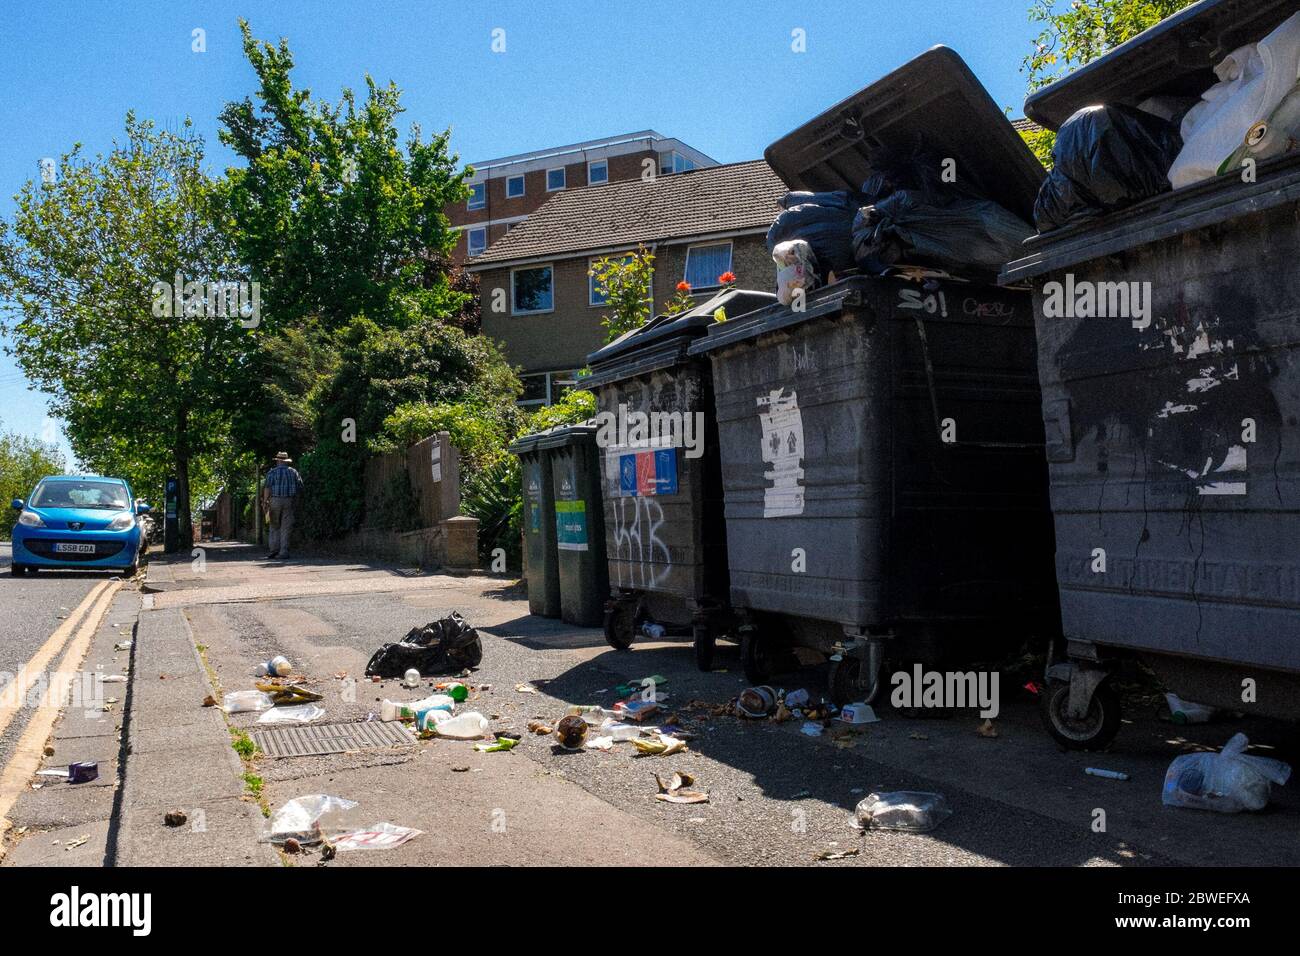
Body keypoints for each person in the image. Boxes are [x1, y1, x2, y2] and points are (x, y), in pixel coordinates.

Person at [264, 452, 304, 560]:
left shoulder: (272, 472)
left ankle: (274, 550)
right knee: (286, 527)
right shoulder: (293, 472)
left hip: (275, 500)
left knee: (274, 526)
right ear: (286, 461)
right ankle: (283, 552)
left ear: (278, 460)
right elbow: (300, 486)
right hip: (289, 501)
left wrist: (265, 502)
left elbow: (267, 488)